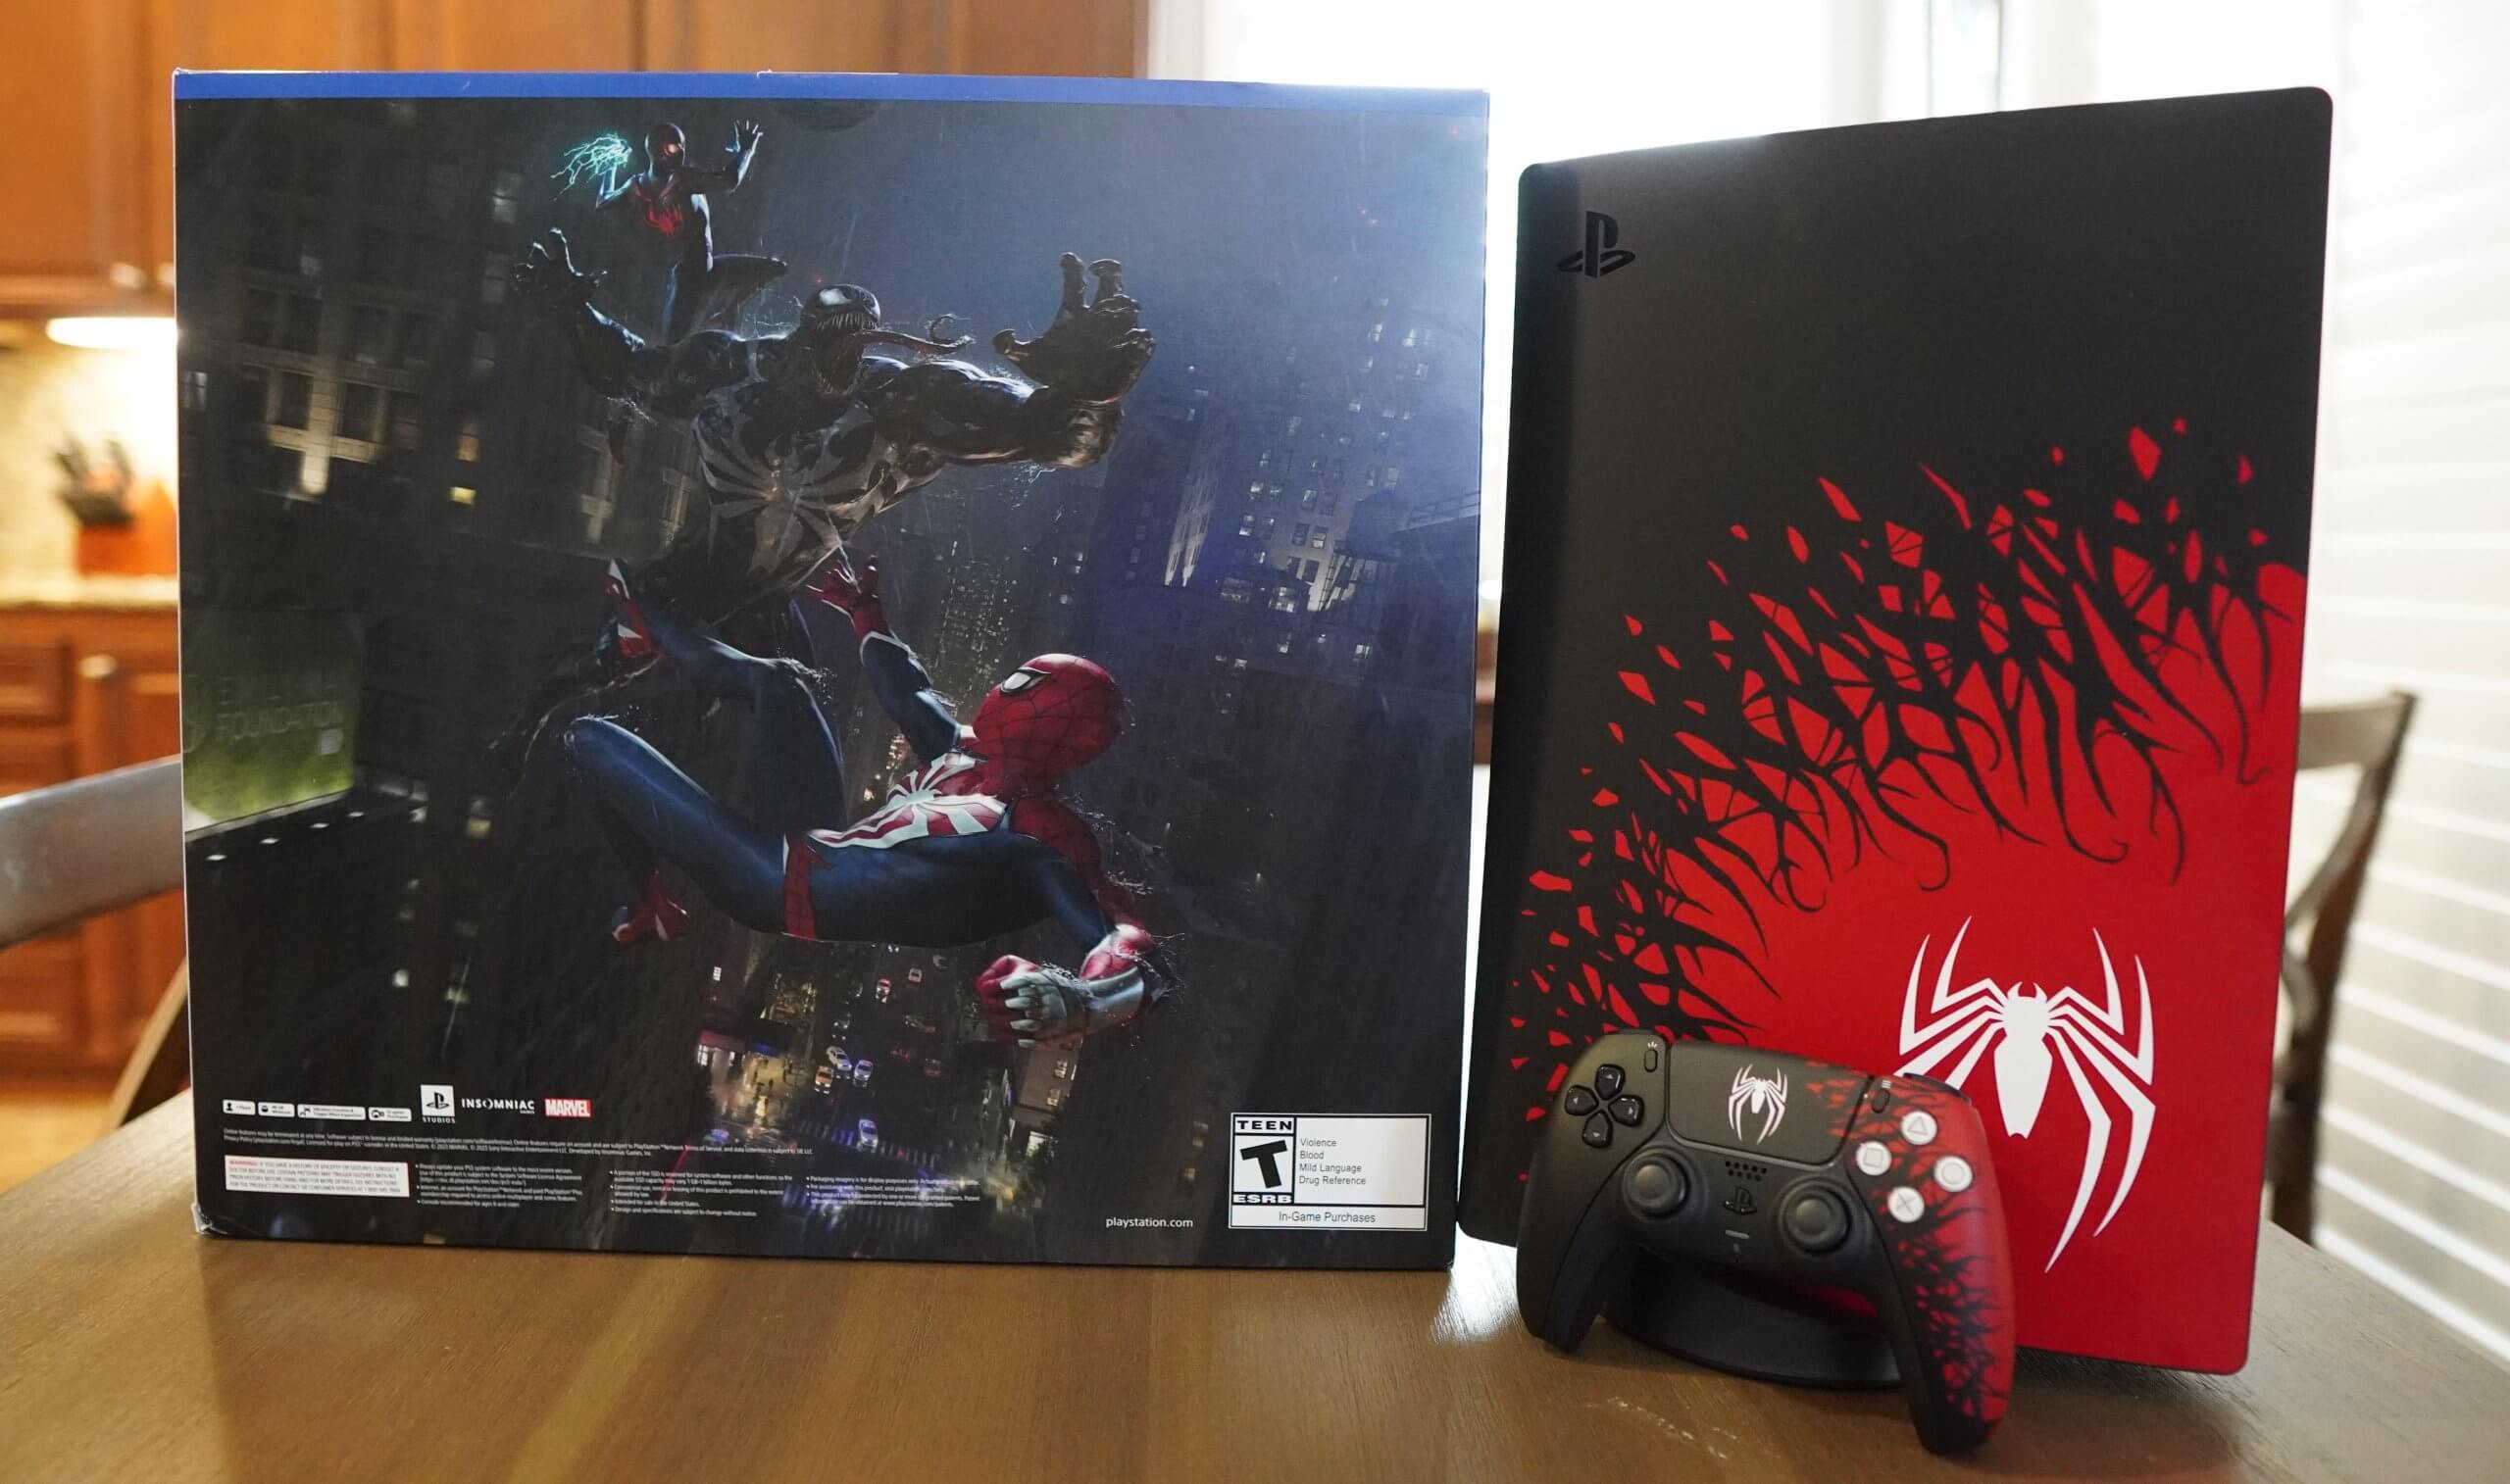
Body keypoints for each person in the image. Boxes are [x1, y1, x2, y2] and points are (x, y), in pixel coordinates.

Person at [565, 551, 1163, 1046]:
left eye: (1021, 685)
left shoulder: (1040, 835)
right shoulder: (967, 754)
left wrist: (1082, 1001)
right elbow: (908, 692)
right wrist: (863, 611)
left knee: (587, 739)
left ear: (1046, 720)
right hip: (815, 837)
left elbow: (1128, 941)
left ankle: (648, 905)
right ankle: (644, 628)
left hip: (777, 890)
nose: (1000, 689)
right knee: (781, 682)